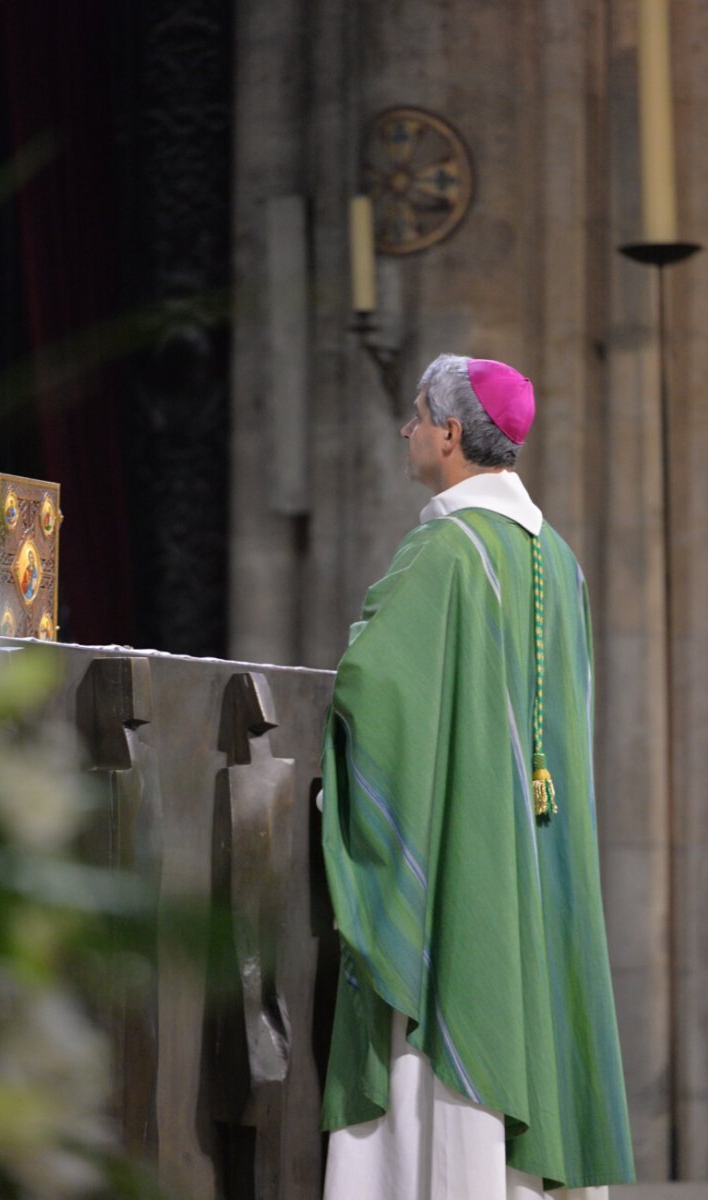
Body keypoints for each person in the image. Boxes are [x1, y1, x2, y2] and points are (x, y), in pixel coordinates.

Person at [320, 354, 635, 1200]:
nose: (407, 428)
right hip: (534, 871)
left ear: (453, 433)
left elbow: (372, 693)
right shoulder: (558, 562)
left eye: (417, 414)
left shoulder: (447, 552)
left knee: (448, 1022)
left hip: (462, 872)